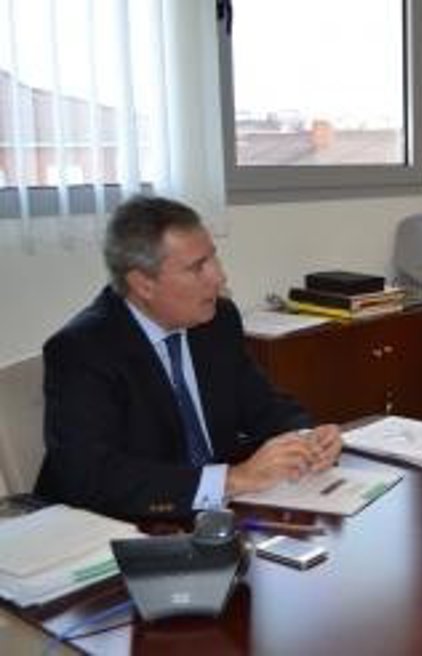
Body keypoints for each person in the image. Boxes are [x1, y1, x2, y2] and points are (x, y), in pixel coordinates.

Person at [35, 195, 342, 520]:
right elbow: (92, 477)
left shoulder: (217, 320)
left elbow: (265, 406)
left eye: (213, 258)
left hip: (214, 515)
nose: (219, 277)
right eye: (198, 268)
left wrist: (308, 439)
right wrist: (233, 479)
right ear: (143, 284)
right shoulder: (82, 350)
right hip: (119, 525)